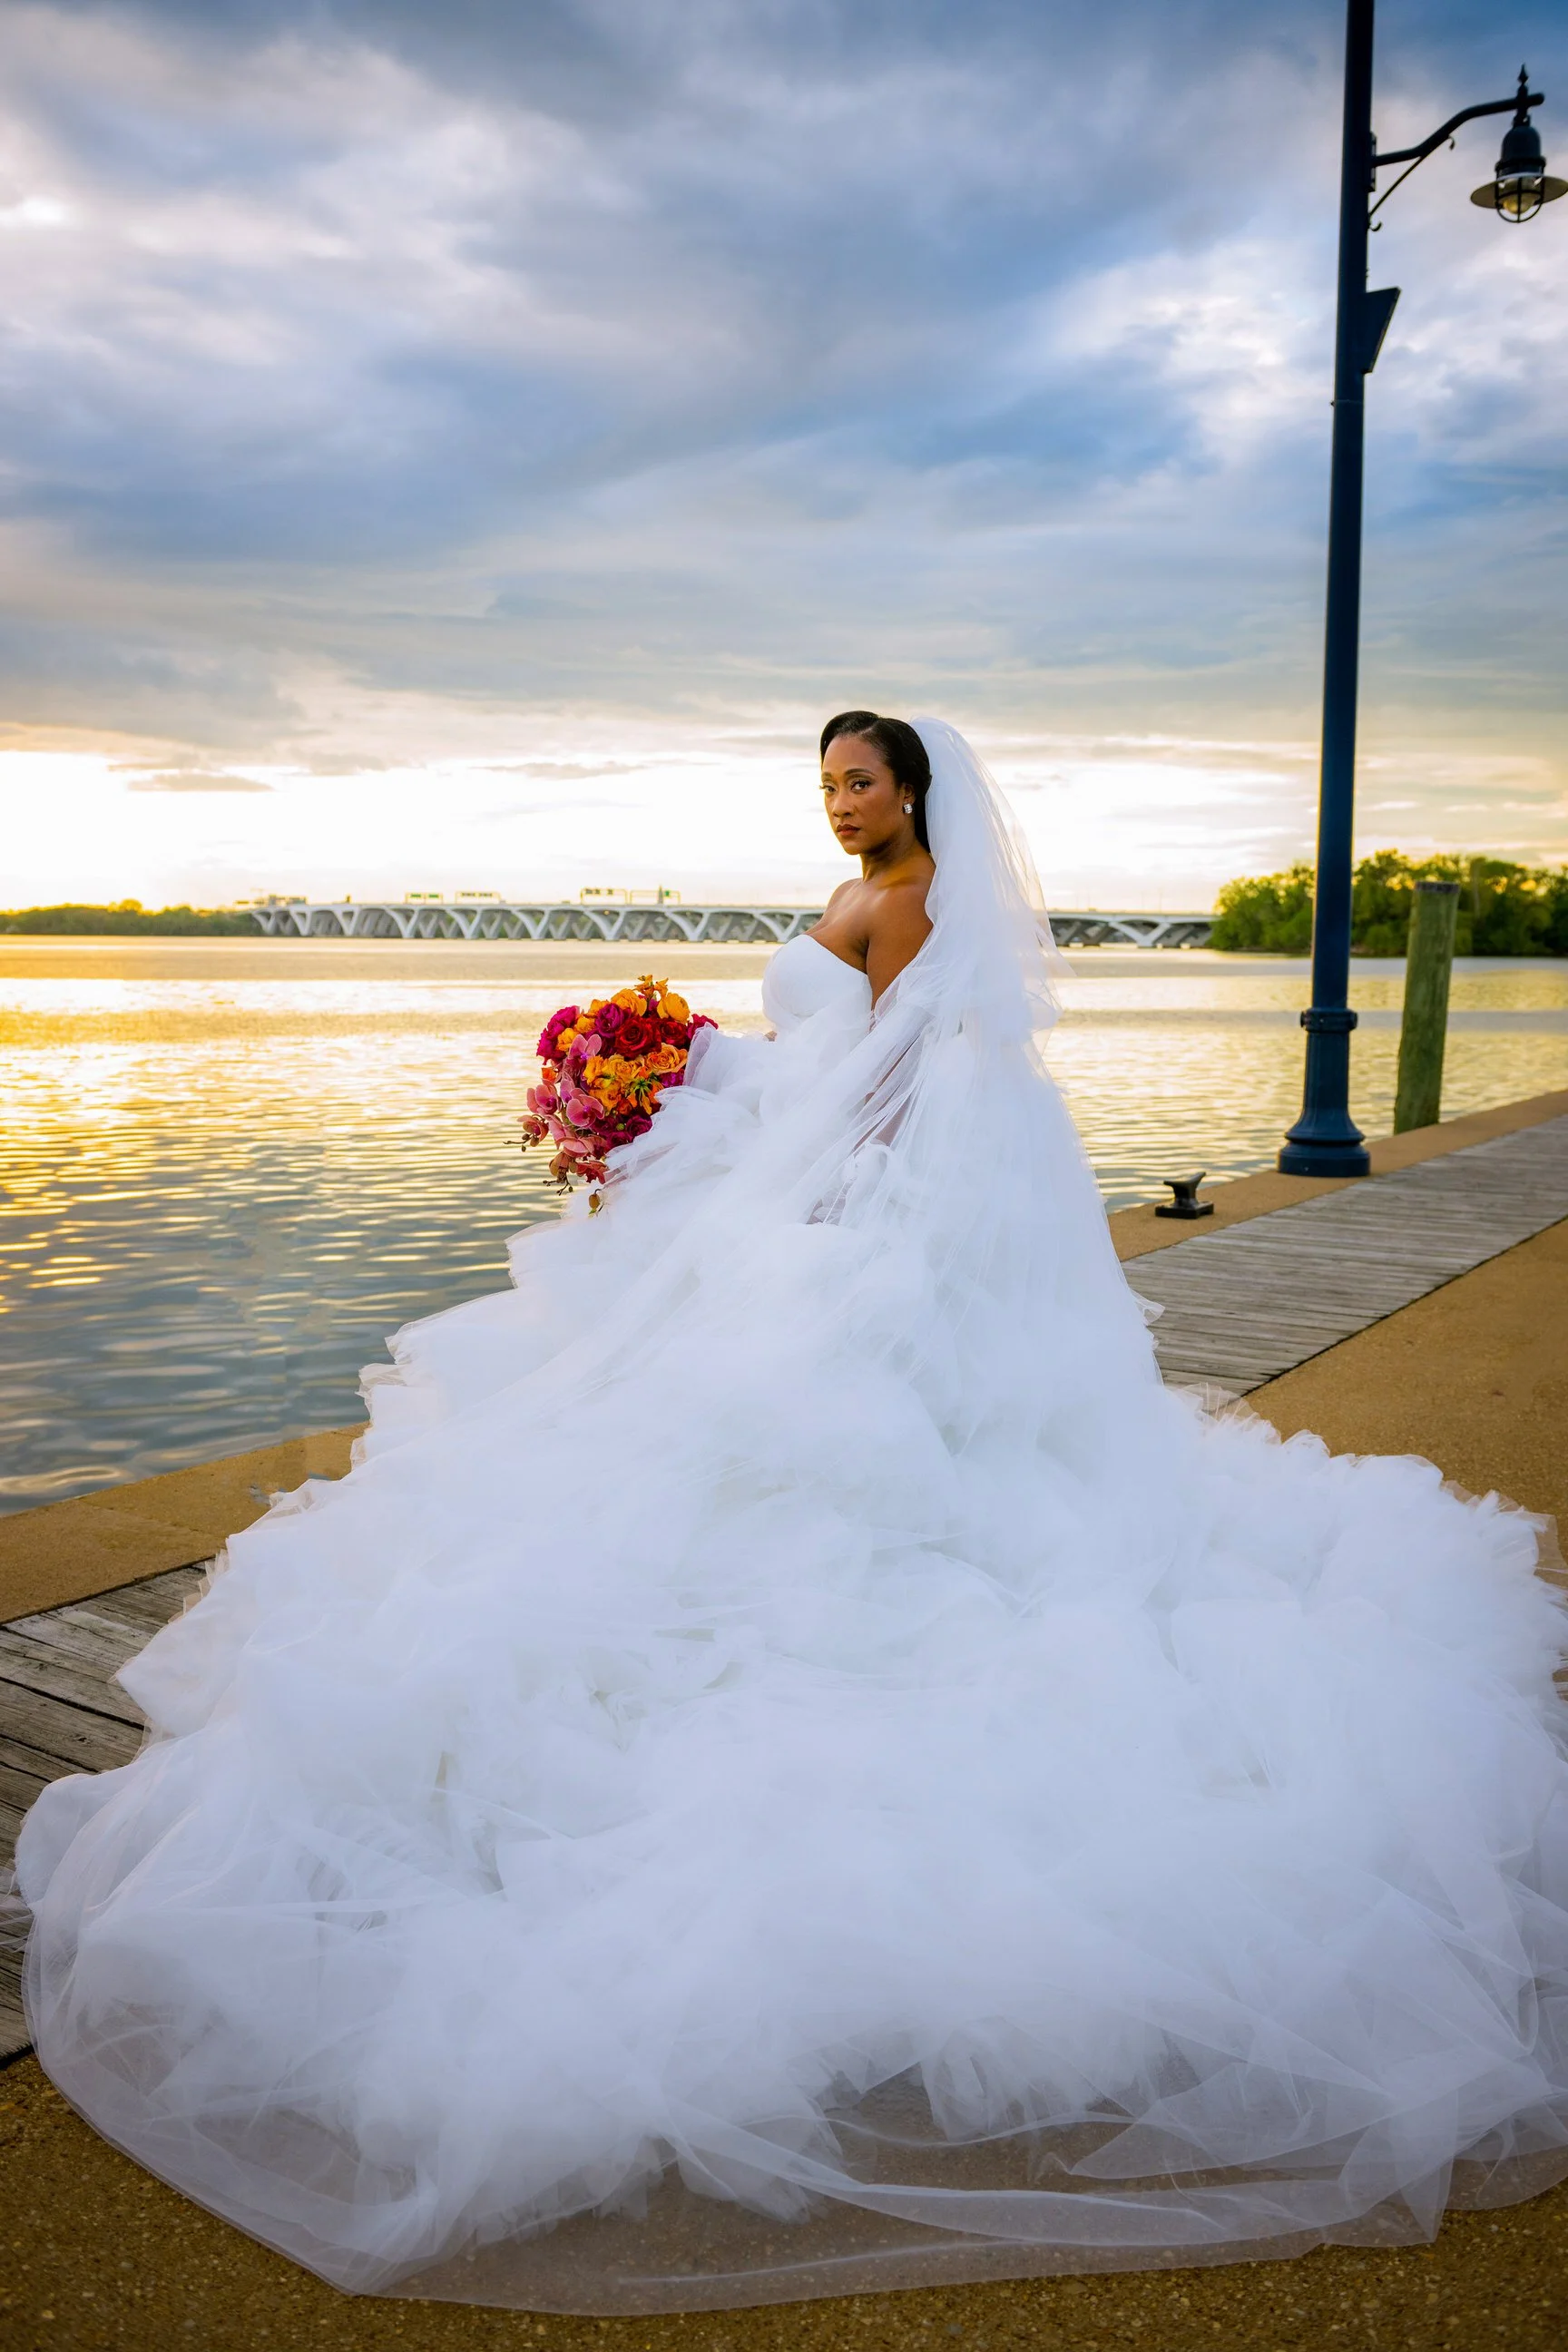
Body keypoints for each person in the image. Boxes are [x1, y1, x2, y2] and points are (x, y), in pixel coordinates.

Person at [13, 717, 1568, 2318]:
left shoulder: (920, 901)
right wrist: (665, 1075)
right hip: (797, 1176)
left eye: (862, 783)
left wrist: (795, 1204)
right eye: (825, 783)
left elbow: (896, 1093)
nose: (840, 805)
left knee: (810, 1473)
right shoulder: (865, 890)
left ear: (917, 791)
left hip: (852, 1218)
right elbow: (827, 1061)